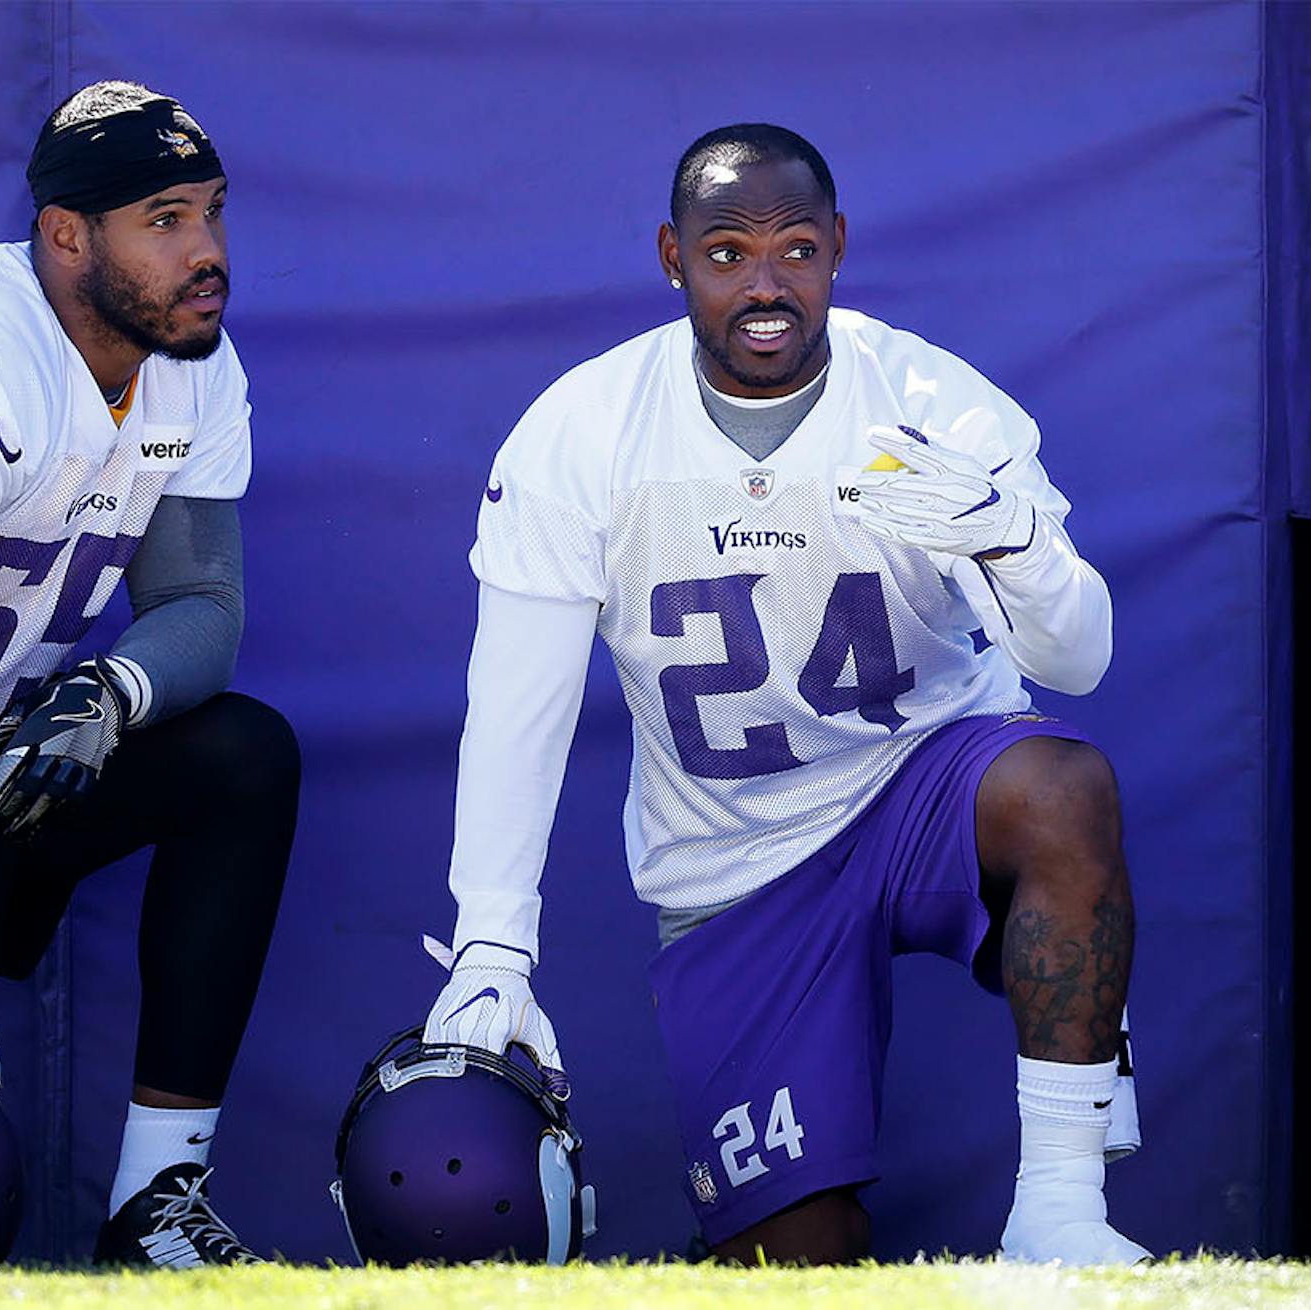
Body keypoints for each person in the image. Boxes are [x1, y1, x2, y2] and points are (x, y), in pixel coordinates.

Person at [420, 123, 1146, 1265]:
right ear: (672, 256)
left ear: (839, 248)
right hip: (736, 862)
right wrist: (491, 946)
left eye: (796, 249)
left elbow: (1081, 660)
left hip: (921, 781)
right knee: (796, 1255)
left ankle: (1061, 1210)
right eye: (727, 254)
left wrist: (1015, 545)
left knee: (1062, 784)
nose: (765, 286)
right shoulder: (584, 431)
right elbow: (519, 706)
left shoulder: (925, 402)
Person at [0, 80, 299, 1267]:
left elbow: (200, 603)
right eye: (167, 218)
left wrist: (104, 691)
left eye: (215, 212)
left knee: (239, 754)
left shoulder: (191, 365)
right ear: (66, 232)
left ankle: (156, 1198)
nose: (208, 252)